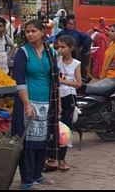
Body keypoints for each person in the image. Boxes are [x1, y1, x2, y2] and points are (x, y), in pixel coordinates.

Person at [12, 20, 59, 190]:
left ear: (42, 32)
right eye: (27, 31)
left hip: (47, 102)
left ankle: (38, 175)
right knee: (29, 141)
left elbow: (54, 79)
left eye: (33, 31)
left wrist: (57, 103)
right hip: (28, 102)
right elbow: (20, 81)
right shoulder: (22, 53)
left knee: (43, 139)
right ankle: (27, 179)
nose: (29, 34)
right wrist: (26, 105)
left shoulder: (50, 51)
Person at [55, 35, 82, 171]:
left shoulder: (76, 64)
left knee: (65, 129)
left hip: (69, 97)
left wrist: (62, 81)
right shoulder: (56, 62)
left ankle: (62, 159)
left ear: (71, 48)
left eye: (63, 47)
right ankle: (51, 158)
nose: (60, 50)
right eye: (58, 47)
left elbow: (78, 83)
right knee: (53, 128)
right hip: (56, 97)